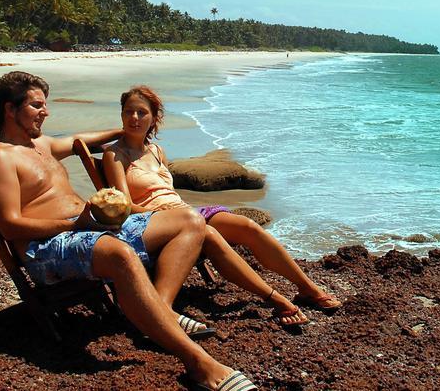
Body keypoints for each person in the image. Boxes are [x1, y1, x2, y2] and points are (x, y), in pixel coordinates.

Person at [0, 71, 258, 391]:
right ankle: (199, 363)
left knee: (190, 220)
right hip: (48, 247)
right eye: (36, 106)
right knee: (120, 254)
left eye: (45, 105)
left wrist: (133, 130)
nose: (46, 112)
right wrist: (74, 224)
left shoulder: (40, 144)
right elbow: (9, 226)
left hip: (90, 230)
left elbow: (83, 140)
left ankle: (160, 312)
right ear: (10, 110)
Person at [102, 85, 342, 327]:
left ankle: (307, 288)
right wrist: (166, 215)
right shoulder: (115, 155)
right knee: (210, 234)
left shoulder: (156, 151)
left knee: (247, 226)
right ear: (121, 114)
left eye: (141, 113)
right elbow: (125, 206)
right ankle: (276, 299)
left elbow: (169, 193)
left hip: (183, 211)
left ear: (154, 118)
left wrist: (180, 212)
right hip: (154, 220)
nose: (134, 118)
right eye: (128, 112)